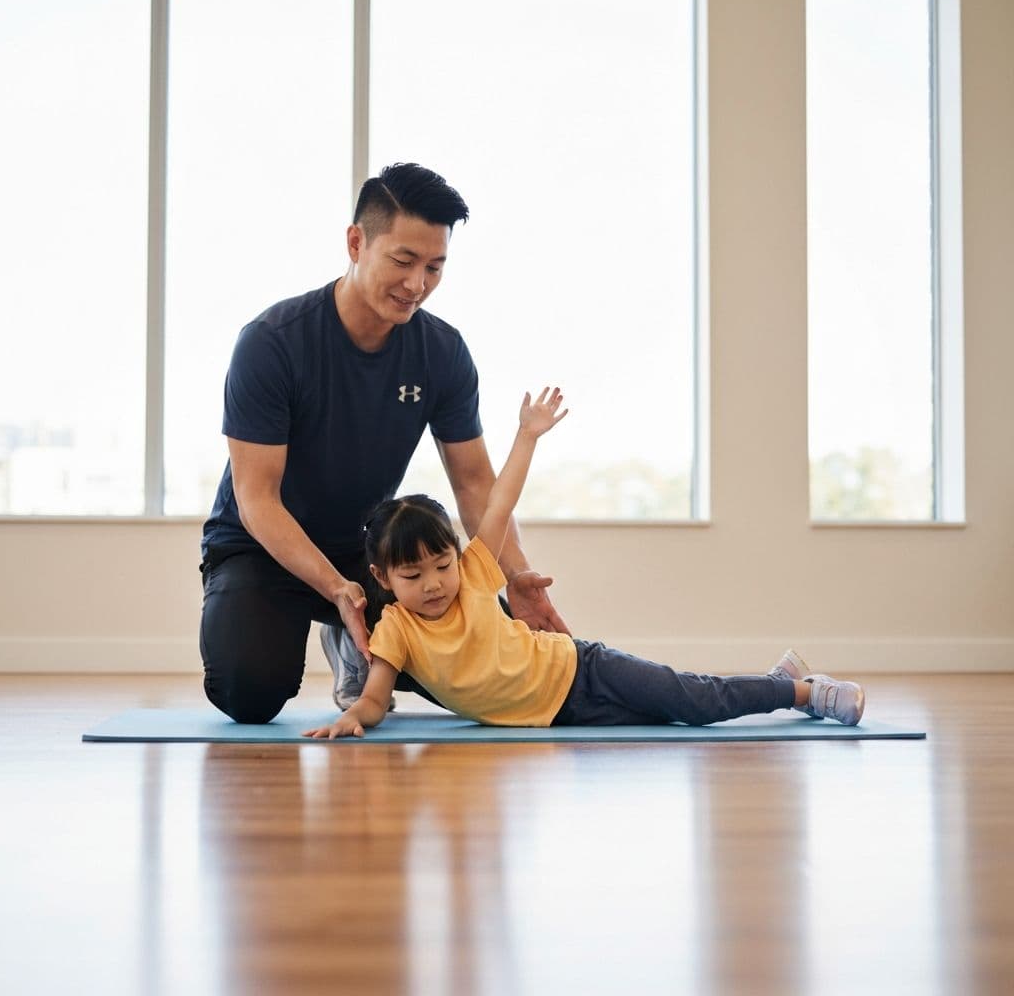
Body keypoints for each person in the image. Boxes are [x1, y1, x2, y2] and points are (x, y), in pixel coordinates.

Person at [199, 163, 569, 725]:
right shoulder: (272, 343)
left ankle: (356, 647)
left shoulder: (441, 352)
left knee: (487, 663)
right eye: (403, 261)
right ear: (356, 243)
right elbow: (257, 500)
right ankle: (341, 626)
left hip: (372, 555)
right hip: (262, 547)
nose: (417, 284)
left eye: (434, 267)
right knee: (247, 694)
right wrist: (337, 590)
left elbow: (474, 483)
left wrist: (516, 576)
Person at [303, 387, 866, 739]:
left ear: (456, 556)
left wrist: (527, 436)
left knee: (694, 700)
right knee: (676, 717)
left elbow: (498, 504)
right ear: (381, 578)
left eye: (440, 565)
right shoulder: (397, 629)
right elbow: (375, 697)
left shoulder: (473, 573)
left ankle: (804, 691)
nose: (433, 584)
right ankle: (778, 684)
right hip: (562, 716)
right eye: (413, 575)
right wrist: (355, 718)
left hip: (581, 668)